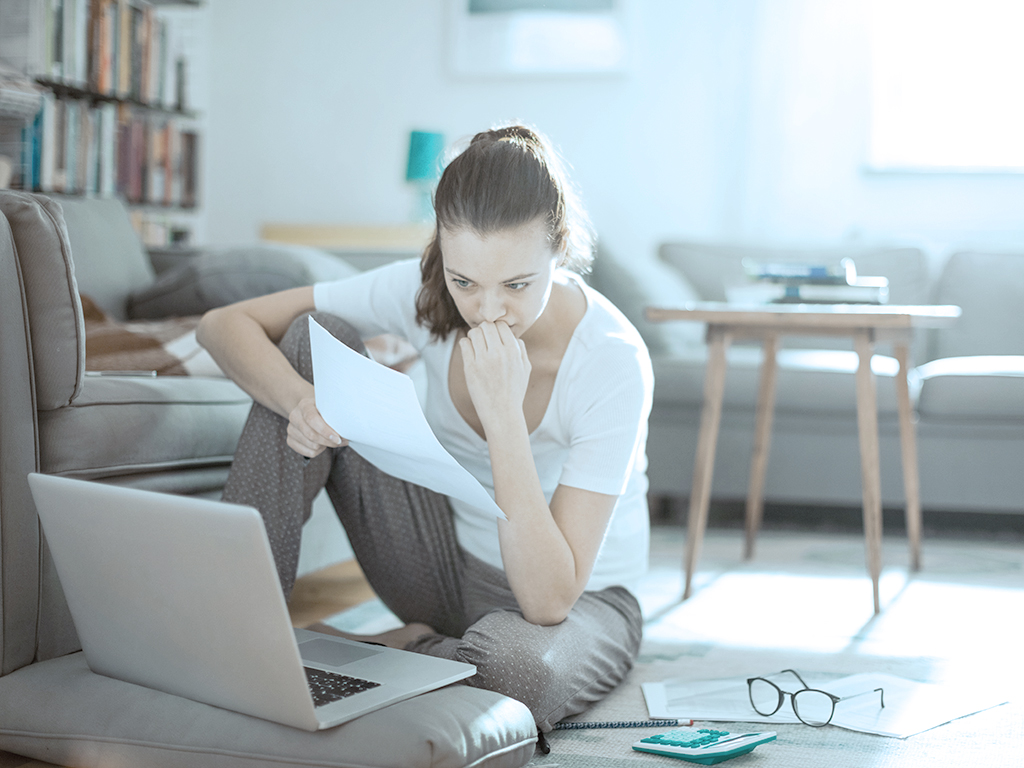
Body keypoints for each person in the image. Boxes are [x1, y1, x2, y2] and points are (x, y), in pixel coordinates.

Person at [196, 125, 654, 733]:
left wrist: (503, 418)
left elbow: (549, 601)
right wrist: (300, 402)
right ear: (443, 252)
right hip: (443, 567)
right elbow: (223, 326)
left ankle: (397, 650)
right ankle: (237, 637)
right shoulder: (422, 293)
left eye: (517, 285)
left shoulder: (612, 360)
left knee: (517, 675)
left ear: (559, 252)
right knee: (314, 335)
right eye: (465, 282)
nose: (489, 311)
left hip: (579, 604)